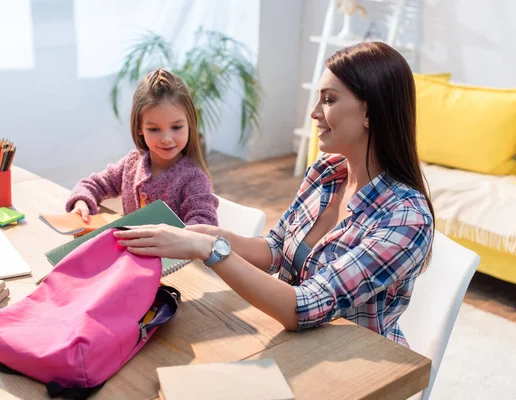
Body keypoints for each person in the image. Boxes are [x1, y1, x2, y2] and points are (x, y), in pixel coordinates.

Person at [112, 42, 435, 346]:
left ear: (370, 113)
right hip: (291, 340)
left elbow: (304, 307)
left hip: (355, 362)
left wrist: (209, 249)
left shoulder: (405, 217)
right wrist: (211, 235)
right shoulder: (326, 173)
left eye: (329, 99)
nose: (314, 113)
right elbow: (276, 249)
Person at [66, 69, 218, 226]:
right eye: (154, 129)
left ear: (189, 124)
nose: (166, 139)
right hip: (126, 249)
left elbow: (205, 224)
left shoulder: (193, 179)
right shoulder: (131, 164)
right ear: (140, 128)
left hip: (169, 251)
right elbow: (92, 184)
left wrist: (179, 237)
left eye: (176, 127)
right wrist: (81, 202)